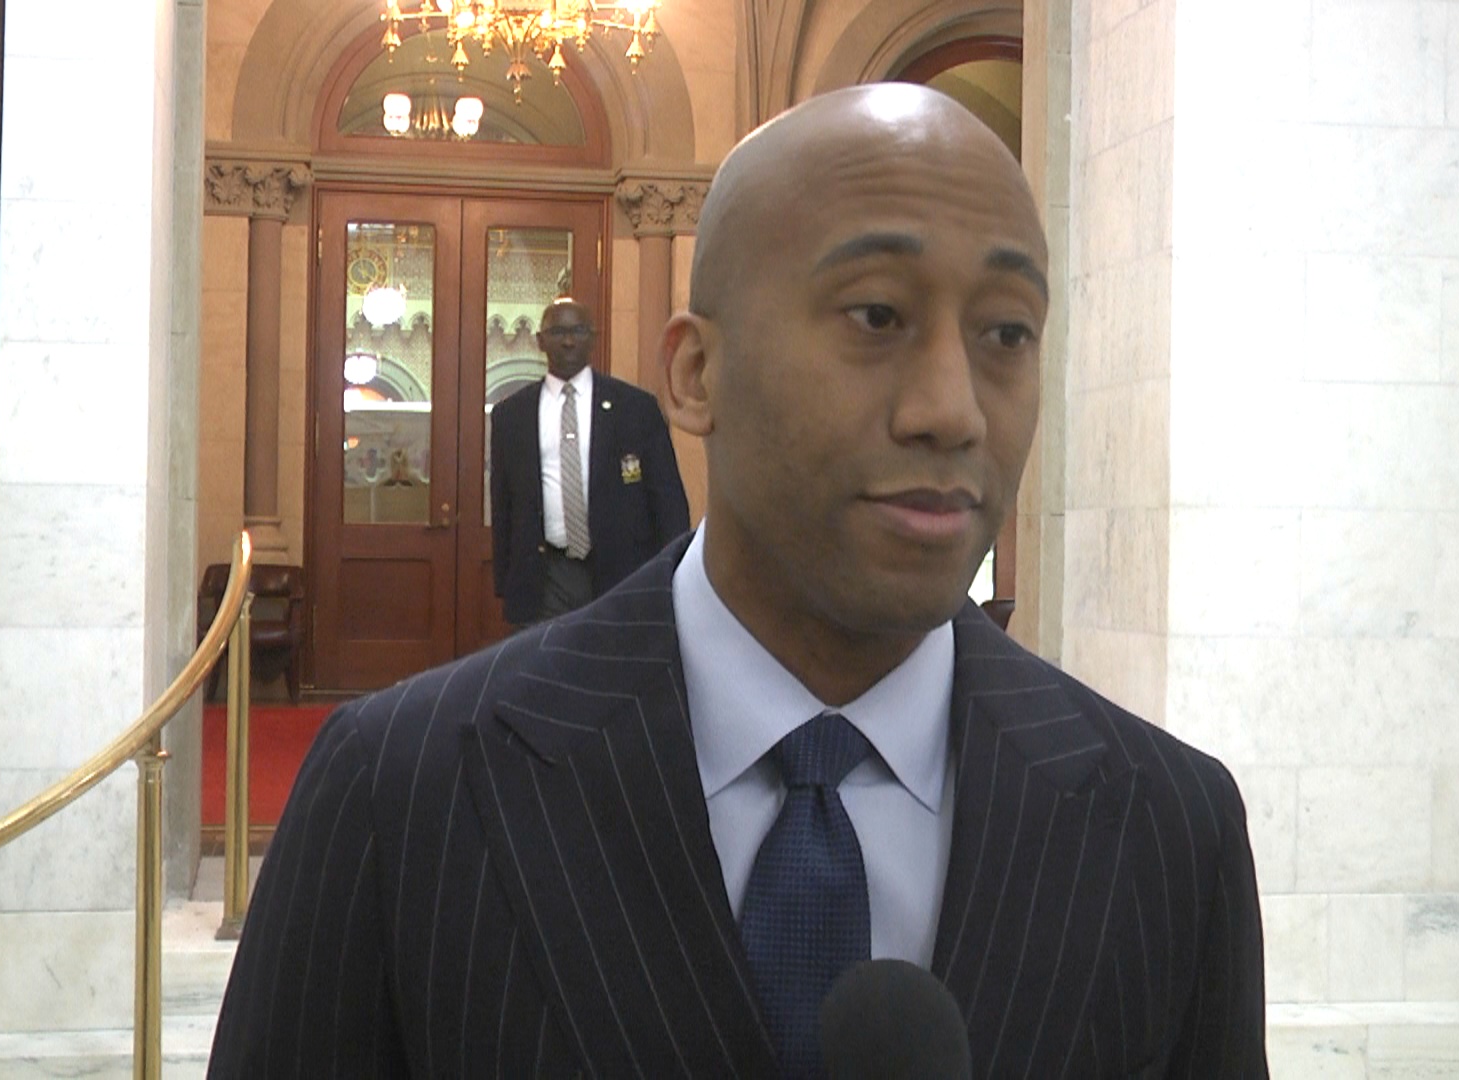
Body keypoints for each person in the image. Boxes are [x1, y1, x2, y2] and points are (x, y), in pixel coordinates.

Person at [210, 84, 1267, 1077]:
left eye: (1006, 333)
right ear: (696, 374)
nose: (953, 411)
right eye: (876, 316)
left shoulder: (1171, 829)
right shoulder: (402, 794)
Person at [488, 298, 691, 625]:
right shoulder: (512, 416)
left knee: (613, 656)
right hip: (545, 576)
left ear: (594, 338)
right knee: (547, 656)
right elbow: (503, 505)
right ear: (540, 341)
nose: (569, 341)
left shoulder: (636, 409)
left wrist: (671, 575)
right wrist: (506, 581)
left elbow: (667, 500)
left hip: (621, 572)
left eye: (579, 331)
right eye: (558, 332)